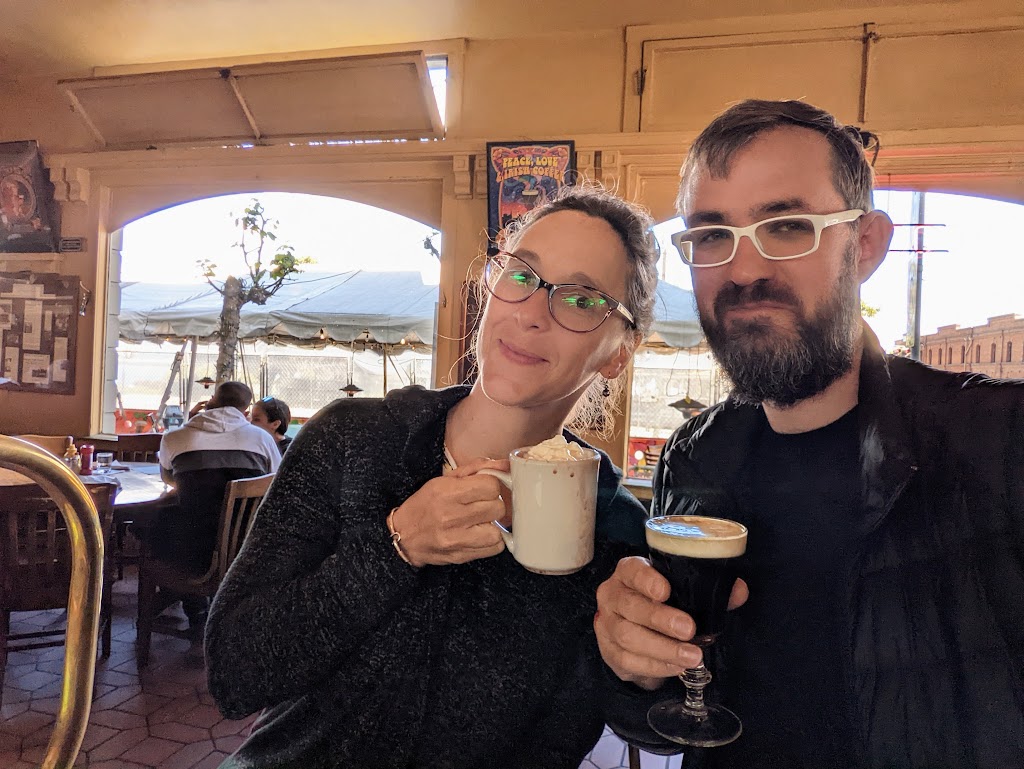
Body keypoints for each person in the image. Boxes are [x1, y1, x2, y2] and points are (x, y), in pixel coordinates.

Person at [594, 98, 1024, 768]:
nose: (742, 271)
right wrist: (641, 667)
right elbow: (678, 712)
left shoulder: (995, 442)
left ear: (867, 245)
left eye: (787, 225)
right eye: (712, 235)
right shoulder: (695, 455)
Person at [204, 184, 661, 769]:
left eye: (580, 299)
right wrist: (396, 547)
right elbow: (234, 673)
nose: (531, 313)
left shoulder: (617, 528)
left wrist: (646, 670)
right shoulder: (352, 439)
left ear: (618, 352)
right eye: (522, 277)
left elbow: (642, 722)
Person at [148, 380, 281, 631]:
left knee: (160, 526)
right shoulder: (262, 440)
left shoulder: (175, 437)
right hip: (248, 551)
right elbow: (274, 482)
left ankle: (194, 610)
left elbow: (167, 478)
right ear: (245, 410)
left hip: (191, 550)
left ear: (211, 402)